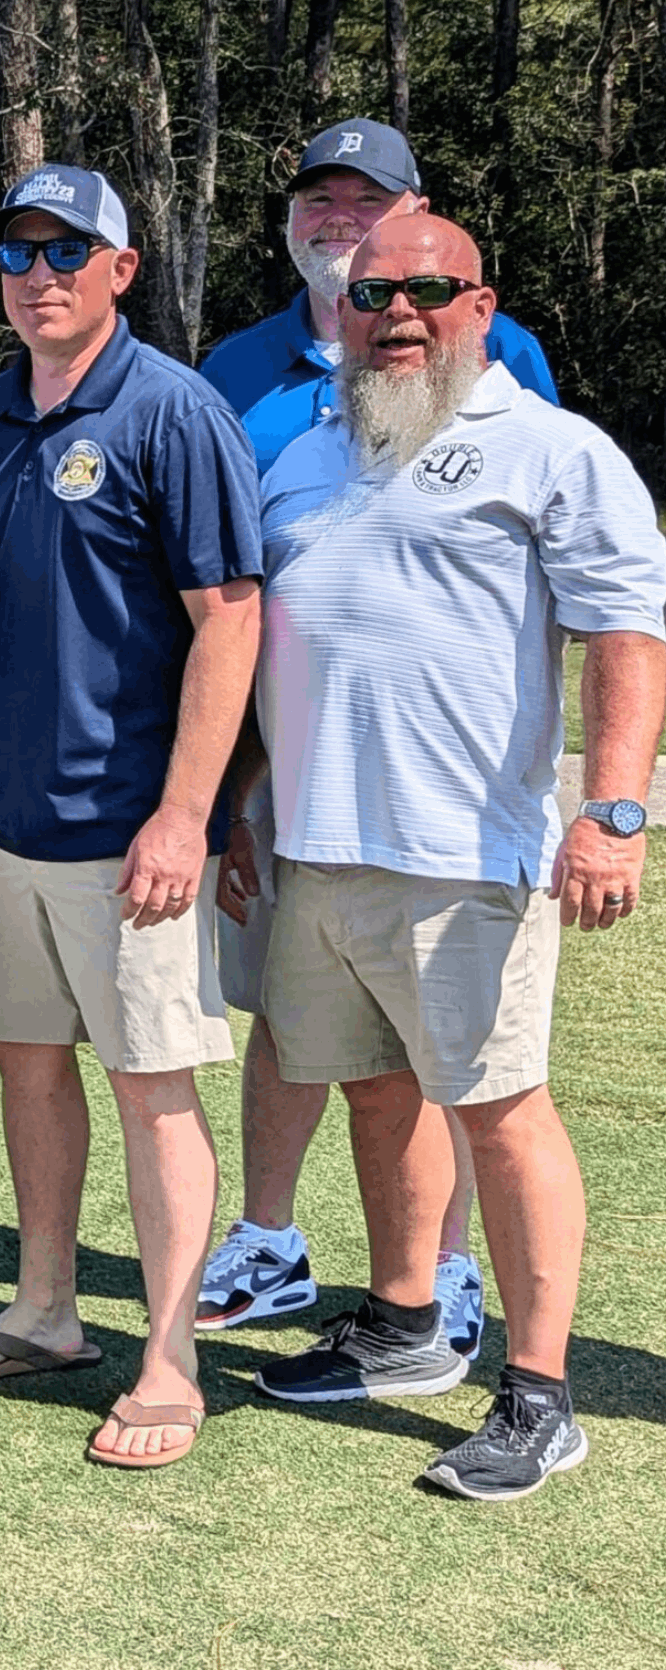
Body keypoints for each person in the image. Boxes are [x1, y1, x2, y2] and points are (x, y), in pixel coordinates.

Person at [246, 213, 666, 1499]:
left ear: (481, 308)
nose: (399, 312)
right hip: (318, 847)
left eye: (429, 289)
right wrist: (239, 807)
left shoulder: (549, 448)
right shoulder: (310, 456)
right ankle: (406, 1323)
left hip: (464, 854)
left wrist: (612, 811)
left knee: (499, 1109)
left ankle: (539, 1394)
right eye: (374, 292)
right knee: (378, 1090)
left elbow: (625, 636)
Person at [195, 119, 560, 1349]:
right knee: (290, 1020)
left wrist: (608, 806)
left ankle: (445, 1271)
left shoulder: (494, 354)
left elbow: (538, 573)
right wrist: (219, 787)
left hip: (445, 797)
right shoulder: (234, 368)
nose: (339, 220)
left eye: (369, 200)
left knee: (445, 1045)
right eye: (319, 199)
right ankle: (268, 1242)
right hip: (283, 767)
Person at [0, 165, 262, 1470]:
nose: (40, 275)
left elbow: (230, 623)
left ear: (121, 270)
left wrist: (189, 815)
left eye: (68, 252)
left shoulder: (175, 414)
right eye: (18, 252)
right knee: (27, 1067)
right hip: (10, 825)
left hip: (135, 838)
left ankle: (171, 1356)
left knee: (152, 1092)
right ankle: (47, 1308)